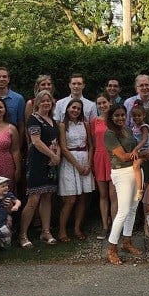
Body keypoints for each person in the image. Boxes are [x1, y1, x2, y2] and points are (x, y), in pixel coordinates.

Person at [20, 90, 60, 248]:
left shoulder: (52, 120)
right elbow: (36, 141)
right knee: (33, 198)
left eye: (48, 101)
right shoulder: (33, 119)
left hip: (50, 163)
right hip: (37, 161)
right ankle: (23, 234)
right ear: (37, 103)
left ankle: (46, 231)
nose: (46, 103)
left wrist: (56, 156)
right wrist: (53, 155)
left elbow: (55, 140)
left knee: (47, 197)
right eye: (43, 101)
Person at [104, 105, 143, 264]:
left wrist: (140, 156)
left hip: (135, 170)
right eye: (117, 115)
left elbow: (134, 151)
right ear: (111, 117)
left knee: (133, 209)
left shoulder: (127, 129)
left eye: (122, 115)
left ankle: (127, 242)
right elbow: (123, 156)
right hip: (122, 172)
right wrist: (144, 154)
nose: (120, 118)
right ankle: (111, 248)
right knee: (123, 210)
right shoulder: (109, 134)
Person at [57, 98, 94, 242]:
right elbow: (64, 148)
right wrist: (77, 165)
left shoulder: (85, 124)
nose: (75, 110)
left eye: (78, 109)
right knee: (71, 199)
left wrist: (88, 164)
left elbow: (91, 146)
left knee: (82, 197)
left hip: (85, 159)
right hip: (70, 161)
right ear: (67, 108)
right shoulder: (62, 125)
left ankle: (77, 228)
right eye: (73, 108)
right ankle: (62, 230)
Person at [91, 93, 115, 240]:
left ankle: (115, 226)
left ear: (109, 102)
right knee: (103, 195)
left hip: (113, 157)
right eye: (99, 103)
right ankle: (105, 226)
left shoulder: (115, 119)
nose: (102, 106)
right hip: (99, 157)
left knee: (113, 195)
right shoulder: (94, 121)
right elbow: (92, 142)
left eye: (104, 103)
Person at [130, 100, 149, 196]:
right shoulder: (134, 127)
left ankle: (139, 189)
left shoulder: (144, 127)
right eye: (134, 116)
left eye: (139, 116)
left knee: (136, 166)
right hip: (139, 149)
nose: (136, 118)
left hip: (144, 149)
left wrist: (135, 149)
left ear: (144, 116)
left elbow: (144, 140)